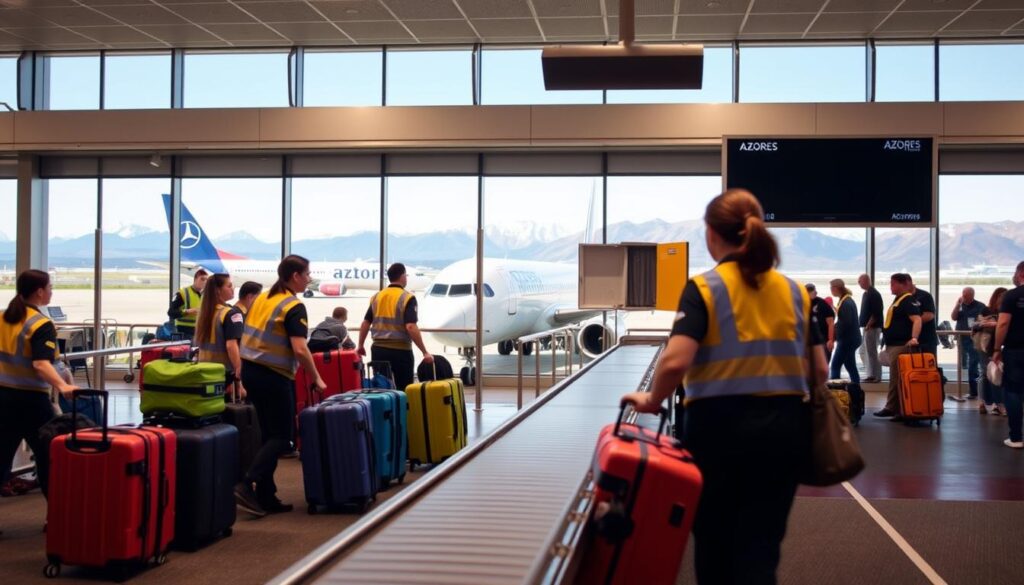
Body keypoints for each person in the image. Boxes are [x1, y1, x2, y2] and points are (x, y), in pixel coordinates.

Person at [623, 189, 826, 585]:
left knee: (715, 548)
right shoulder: (795, 292)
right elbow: (819, 367)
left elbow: (677, 359)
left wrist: (651, 400)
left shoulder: (705, 288)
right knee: (761, 550)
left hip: (718, 433)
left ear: (713, 235)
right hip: (785, 432)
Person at [235, 255, 326, 516]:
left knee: (268, 435)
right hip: (273, 376)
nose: (309, 278)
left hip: (251, 371)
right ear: (295, 276)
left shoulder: (262, 298)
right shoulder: (292, 306)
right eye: (307, 274)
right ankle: (247, 482)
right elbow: (300, 349)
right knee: (284, 437)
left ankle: (266, 495)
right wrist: (316, 377)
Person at [0, 270, 79, 499]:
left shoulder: (4, 317)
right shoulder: (40, 323)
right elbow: (41, 364)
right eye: (50, 287)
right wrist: (63, 387)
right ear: (40, 292)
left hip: (3, 397)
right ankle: (55, 516)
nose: (52, 291)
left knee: (2, 456)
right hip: (31, 401)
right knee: (48, 457)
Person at [357, 263, 433, 392]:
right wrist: (424, 351)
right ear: (402, 276)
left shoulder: (377, 296)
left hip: (378, 350)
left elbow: (366, 322)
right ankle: (402, 412)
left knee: (382, 388)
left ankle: (384, 412)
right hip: (400, 351)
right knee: (403, 389)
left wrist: (360, 345)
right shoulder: (407, 297)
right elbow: (410, 326)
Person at [874, 273, 922, 421]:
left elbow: (917, 319)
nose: (891, 286)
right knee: (895, 378)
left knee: (897, 378)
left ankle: (894, 408)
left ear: (903, 285)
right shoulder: (898, 300)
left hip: (900, 345)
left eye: (893, 284)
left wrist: (914, 338)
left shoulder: (907, 300)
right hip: (892, 344)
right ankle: (897, 408)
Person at [195, 273, 243, 393]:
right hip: (223, 370)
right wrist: (239, 369)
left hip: (204, 368)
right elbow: (231, 345)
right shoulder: (230, 314)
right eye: (229, 286)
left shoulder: (204, 313)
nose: (233, 289)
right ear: (218, 290)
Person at [993, 261, 1024, 449]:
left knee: (1013, 391)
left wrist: (997, 349)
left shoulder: (1012, 296)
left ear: (1021, 274)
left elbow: (1003, 324)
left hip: (1016, 350)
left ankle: (1016, 437)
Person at [952, 287, 986, 400]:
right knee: (963, 364)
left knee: (973, 364)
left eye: (966, 295)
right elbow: (953, 317)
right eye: (963, 294)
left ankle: (974, 391)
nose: (964, 297)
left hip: (974, 339)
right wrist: (957, 305)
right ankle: (970, 391)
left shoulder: (980, 306)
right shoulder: (961, 305)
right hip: (962, 338)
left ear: (972, 295)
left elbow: (984, 320)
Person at [977, 287, 1007, 416]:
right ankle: (991, 402)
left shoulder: (1005, 310)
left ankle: (993, 402)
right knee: (988, 374)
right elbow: (978, 324)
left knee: (994, 374)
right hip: (987, 346)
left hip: (995, 345)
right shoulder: (987, 310)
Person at [829, 279, 862, 383]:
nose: (830, 290)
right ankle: (856, 389)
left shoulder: (846, 303)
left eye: (831, 288)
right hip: (852, 339)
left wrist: (834, 331)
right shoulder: (846, 300)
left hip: (847, 340)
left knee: (835, 365)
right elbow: (844, 318)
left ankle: (836, 391)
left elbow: (846, 323)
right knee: (850, 365)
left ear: (836, 288)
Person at [857, 274, 884, 382]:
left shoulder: (874, 294)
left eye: (860, 281)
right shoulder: (866, 294)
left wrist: (869, 324)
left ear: (866, 281)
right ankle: (870, 374)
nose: (859, 283)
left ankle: (875, 376)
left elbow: (876, 311)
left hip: (872, 327)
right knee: (864, 351)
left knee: (871, 352)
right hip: (867, 327)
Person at [167, 269, 208, 339]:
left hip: (200, 331)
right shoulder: (183, 293)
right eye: (202, 279)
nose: (204, 282)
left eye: (206, 280)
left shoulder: (206, 294)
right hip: (184, 331)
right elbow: (171, 312)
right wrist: (188, 311)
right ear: (195, 279)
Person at [907, 275, 939, 358]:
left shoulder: (924, 296)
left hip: (926, 339)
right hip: (909, 340)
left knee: (928, 364)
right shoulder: (904, 298)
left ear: (909, 283)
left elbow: (929, 315)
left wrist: (915, 323)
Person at [807, 283, 835, 364]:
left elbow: (831, 323)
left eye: (814, 291)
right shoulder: (802, 303)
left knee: (823, 365)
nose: (815, 293)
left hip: (823, 340)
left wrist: (830, 340)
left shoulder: (822, 304)